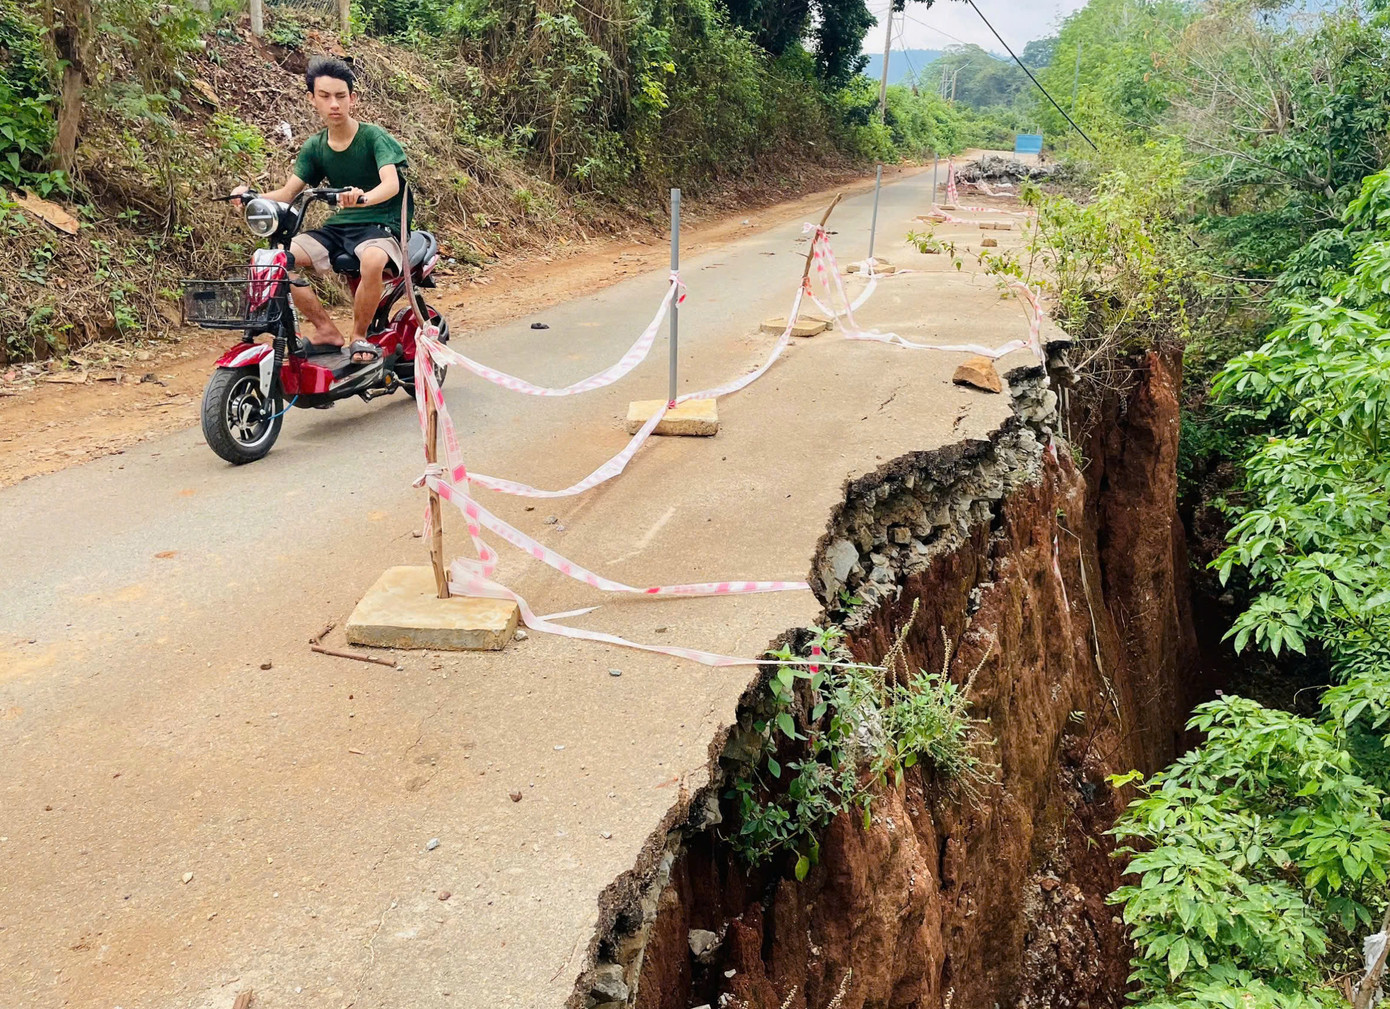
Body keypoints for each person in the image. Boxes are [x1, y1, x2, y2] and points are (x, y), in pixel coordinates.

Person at [233, 56, 410, 363]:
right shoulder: (315, 147)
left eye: (341, 96)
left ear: (352, 99)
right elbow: (289, 193)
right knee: (275, 260)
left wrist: (363, 198)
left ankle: (359, 338)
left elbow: (391, 184)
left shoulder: (373, 137)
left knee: (372, 260)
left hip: (380, 224)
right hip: (339, 227)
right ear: (311, 99)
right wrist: (252, 196)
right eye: (325, 96)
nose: (334, 104)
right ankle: (326, 329)